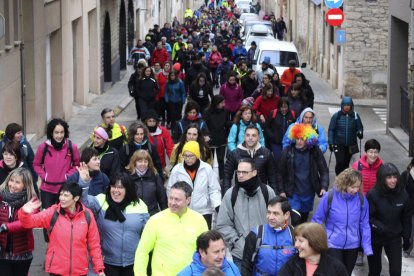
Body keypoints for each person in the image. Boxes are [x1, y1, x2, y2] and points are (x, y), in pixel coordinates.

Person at [18, 182, 105, 276]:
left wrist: (99, 269)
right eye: (61, 194)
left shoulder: (87, 215)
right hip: (57, 270)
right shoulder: (53, 212)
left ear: (76, 198)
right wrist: (24, 213)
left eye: (66, 195)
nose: (62, 198)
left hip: (80, 270)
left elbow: (94, 244)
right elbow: (29, 223)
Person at [79, 169, 149, 276]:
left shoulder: (140, 205)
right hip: (107, 262)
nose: (115, 190)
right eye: (113, 186)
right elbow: (82, 202)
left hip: (133, 262)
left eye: (120, 187)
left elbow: (149, 233)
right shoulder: (101, 200)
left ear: (128, 189)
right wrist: (84, 183)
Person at [134, 181, 209, 275]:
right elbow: (142, 251)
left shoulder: (199, 220)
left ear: (188, 200)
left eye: (177, 199)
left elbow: (206, 252)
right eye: (170, 198)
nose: (172, 202)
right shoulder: (155, 220)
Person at [216, 158, 276, 270]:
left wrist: (268, 242)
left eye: (244, 172)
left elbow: (277, 220)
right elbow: (222, 225)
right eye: (238, 172)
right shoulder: (230, 194)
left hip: (265, 252)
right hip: (240, 254)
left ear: (254, 173)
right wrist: (238, 241)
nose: (240, 175)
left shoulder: (267, 192)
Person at [312, 168, 373, 275]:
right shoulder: (329, 197)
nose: (356, 190)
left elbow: (364, 224)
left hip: (353, 245)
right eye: (353, 187)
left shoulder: (362, 200)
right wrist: (318, 242)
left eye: (358, 187)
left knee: (346, 273)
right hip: (333, 244)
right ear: (344, 184)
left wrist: (366, 246)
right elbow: (316, 220)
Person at [33, 118, 80, 241]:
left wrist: (66, 176)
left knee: (64, 218)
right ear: (51, 133)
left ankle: (62, 243)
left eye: (62, 132)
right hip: (47, 190)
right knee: (48, 220)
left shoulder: (71, 147)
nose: (59, 135)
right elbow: (36, 164)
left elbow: (76, 164)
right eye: (56, 132)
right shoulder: (43, 147)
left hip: (65, 190)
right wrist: (45, 176)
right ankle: (50, 244)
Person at [276, 123, 329, 226]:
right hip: (293, 193)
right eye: (297, 138)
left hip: (308, 193)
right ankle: (295, 240)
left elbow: (323, 170)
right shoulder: (287, 151)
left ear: (308, 140)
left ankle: (300, 238)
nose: (299, 141)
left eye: (302, 139)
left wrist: (324, 186)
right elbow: (279, 172)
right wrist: (281, 190)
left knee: (303, 221)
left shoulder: (315, 151)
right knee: (295, 220)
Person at [366, 163, 412, 276]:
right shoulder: (372, 194)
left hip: (394, 237)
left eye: (395, 177)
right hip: (375, 237)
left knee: (396, 272)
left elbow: (406, 218)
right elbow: (368, 218)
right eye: (389, 177)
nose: (393, 181)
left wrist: (407, 238)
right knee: (375, 270)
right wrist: (380, 227)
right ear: (382, 179)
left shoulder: (403, 194)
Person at [168, 141, 221, 229]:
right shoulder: (177, 170)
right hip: (184, 210)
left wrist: (217, 204)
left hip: (204, 211)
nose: (187, 159)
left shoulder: (207, 169)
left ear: (196, 155)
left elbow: (214, 189)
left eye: (190, 156)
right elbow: (170, 189)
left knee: (203, 238)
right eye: (185, 155)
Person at [242, 196, 296, 275]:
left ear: (286, 215)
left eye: (275, 213)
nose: (270, 217)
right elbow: (246, 265)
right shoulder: (256, 234)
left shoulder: (295, 234)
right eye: (268, 212)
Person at [0, 168, 38, 276]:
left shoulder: (32, 200)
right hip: (2, 253)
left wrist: (6, 227)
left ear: (25, 185)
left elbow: (27, 223)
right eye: (11, 180)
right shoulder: (1, 196)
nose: (12, 184)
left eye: (17, 182)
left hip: (23, 254)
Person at [278, 222, 348, 276]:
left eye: (300, 241)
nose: (296, 245)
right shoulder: (292, 264)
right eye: (296, 240)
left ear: (314, 242)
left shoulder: (337, 268)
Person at [224, 125, 277, 193]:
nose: (250, 138)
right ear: (244, 137)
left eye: (253, 135)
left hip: (261, 193)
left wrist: (274, 198)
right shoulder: (234, 153)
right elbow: (227, 177)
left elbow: (272, 177)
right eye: (248, 135)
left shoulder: (266, 153)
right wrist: (226, 196)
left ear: (258, 137)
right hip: (241, 193)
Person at [328, 96, 364, 175]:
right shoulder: (337, 116)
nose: (347, 107)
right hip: (338, 144)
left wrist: (360, 133)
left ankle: (344, 178)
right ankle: (339, 177)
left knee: (346, 162)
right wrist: (330, 143)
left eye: (349, 105)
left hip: (351, 145)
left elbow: (360, 128)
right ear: (342, 105)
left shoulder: (355, 116)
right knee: (340, 161)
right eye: (345, 105)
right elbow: (331, 130)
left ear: (351, 106)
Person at [127, 150, 167, 216]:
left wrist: (165, 213)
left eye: (145, 161)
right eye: (140, 161)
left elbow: (162, 196)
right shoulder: (128, 176)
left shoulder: (154, 175)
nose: (143, 164)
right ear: (134, 162)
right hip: (133, 213)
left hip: (152, 212)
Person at [0, 123, 38, 188]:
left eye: (21, 132)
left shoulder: (25, 144)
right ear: (11, 134)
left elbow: (31, 160)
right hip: (5, 176)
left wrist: (34, 177)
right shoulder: (2, 145)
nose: (21, 135)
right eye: (18, 133)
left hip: (24, 173)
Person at [203, 95, 230, 180]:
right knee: (209, 161)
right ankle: (209, 178)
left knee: (221, 159)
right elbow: (204, 125)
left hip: (221, 139)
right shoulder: (207, 112)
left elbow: (226, 123)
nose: (224, 104)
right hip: (210, 140)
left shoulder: (225, 111)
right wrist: (206, 136)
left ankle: (222, 178)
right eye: (222, 103)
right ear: (216, 103)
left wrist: (228, 132)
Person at [265, 98, 296, 164]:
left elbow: (296, 126)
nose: (284, 109)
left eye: (285, 107)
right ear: (279, 107)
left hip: (288, 143)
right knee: (278, 160)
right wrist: (272, 136)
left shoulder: (292, 114)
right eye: (282, 107)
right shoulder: (273, 113)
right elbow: (267, 127)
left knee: (287, 161)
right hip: (276, 143)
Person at [400, 158, 414, 257]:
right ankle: (407, 248)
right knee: (410, 230)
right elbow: (399, 191)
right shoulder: (406, 174)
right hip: (409, 209)